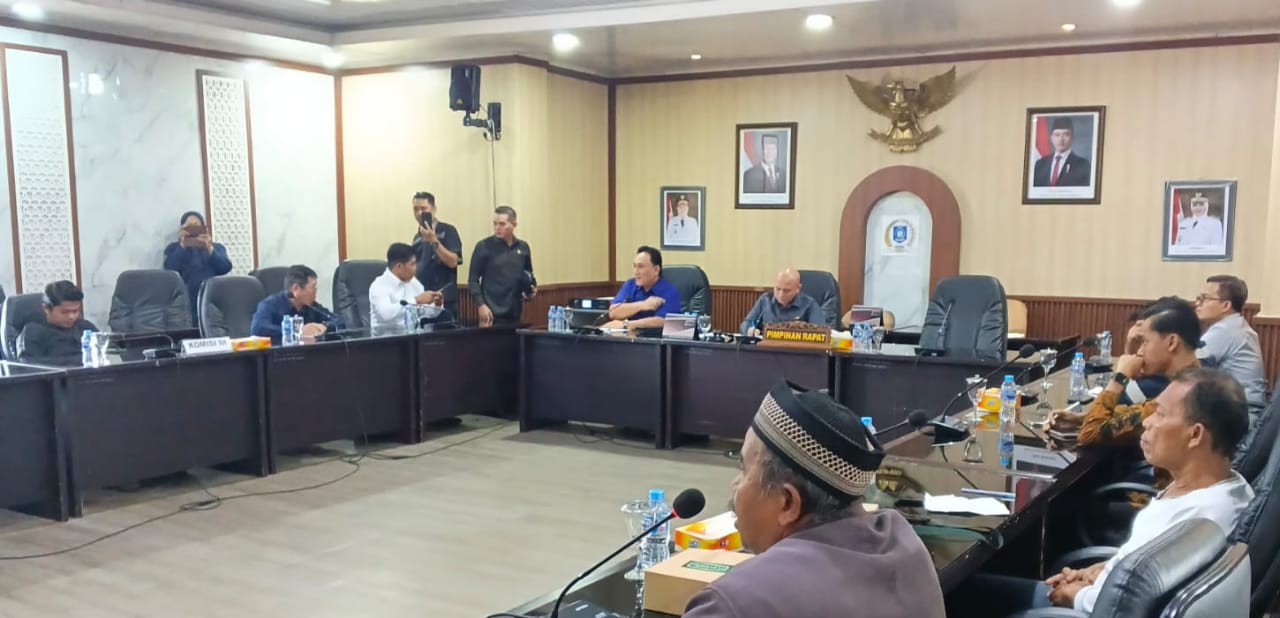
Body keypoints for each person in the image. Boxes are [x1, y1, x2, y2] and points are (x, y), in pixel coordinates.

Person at [949, 369, 1252, 615]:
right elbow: (1141, 568)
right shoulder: (1229, 491)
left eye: (1160, 414)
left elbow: (1125, 601)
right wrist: (1100, 569)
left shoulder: (1200, 520)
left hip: (1090, 608)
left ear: (1195, 434)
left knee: (957, 592)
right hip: (1101, 592)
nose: (1147, 421)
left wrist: (1076, 595)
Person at [683, 382, 945, 618]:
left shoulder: (736, 603)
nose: (735, 485)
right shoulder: (906, 545)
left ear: (788, 502)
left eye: (743, 469)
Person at [1048, 296, 1200, 447]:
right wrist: (1081, 418)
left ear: (1172, 342)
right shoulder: (1192, 381)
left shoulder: (1182, 396)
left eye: (1145, 342)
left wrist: (1119, 377)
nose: (1139, 352)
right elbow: (1137, 412)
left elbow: (1089, 434)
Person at [1194, 275, 1266, 414]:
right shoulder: (1236, 326)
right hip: (1241, 409)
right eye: (1198, 298)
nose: (1197, 303)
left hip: (1241, 414)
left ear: (1226, 305)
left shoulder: (1226, 330)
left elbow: (1188, 366)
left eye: (1204, 298)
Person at [468, 206, 534, 327]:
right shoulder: (483, 246)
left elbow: (528, 275)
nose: (497, 228)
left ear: (514, 224)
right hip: (490, 313)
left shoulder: (523, 247)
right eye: (495, 224)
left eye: (502, 224)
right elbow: (473, 280)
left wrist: (530, 290)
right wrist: (481, 305)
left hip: (515, 312)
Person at [163, 211, 232, 321]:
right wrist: (182, 245)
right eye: (189, 227)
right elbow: (170, 268)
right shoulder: (174, 248)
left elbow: (225, 267)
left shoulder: (216, 247)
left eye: (196, 226)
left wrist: (209, 248)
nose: (193, 231)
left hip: (211, 300)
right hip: (184, 302)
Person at [249, 265, 345, 344]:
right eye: (313, 287)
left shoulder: (311, 306)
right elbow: (258, 329)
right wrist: (298, 332)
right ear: (296, 289)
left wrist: (324, 326)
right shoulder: (270, 305)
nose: (315, 292)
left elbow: (340, 322)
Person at [369, 243, 443, 337]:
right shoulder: (379, 286)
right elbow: (386, 314)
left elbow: (425, 313)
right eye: (412, 264)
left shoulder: (414, 283)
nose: (416, 268)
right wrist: (416, 300)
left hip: (413, 339)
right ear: (399, 266)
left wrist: (436, 305)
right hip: (386, 341)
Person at [17, 280, 97, 367]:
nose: (71, 316)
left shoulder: (85, 327)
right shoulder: (33, 332)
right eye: (65, 312)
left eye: (75, 311)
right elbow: (28, 366)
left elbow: (104, 353)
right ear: (47, 308)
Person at [409, 192, 463, 317]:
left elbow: (453, 262)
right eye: (416, 209)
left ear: (433, 209)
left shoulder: (448, 231)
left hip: (444, 299)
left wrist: (433, 240)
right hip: (422, 299)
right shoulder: (417, 237)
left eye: (423, 209)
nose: (419, 213)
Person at [604, 246, 682, 331]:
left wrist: (627, 324)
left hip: (653, 338)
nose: (636, 271)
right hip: (628, 336)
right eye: (634, 266)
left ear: (656, 270)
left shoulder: (670, 291)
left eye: (640, 267)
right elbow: (613, 312)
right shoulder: (630, 285)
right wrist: (642, 305)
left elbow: (663, 321)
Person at [739, 268, 825, 336]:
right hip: (767, 349)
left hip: (797, 350)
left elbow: (821, 332)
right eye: (778, 289)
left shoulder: (809, 305)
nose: (781, 295)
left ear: (798, 289)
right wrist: (749, 330)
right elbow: (746, 323)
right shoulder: (765, 300)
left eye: (786, 291)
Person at [1032, 117, 1091, 187]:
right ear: (1051, 138)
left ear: (1072, 138)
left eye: (1066, 134)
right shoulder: (1040, 164)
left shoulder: (1083, 165)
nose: (1061, 139)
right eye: (1057, 135)